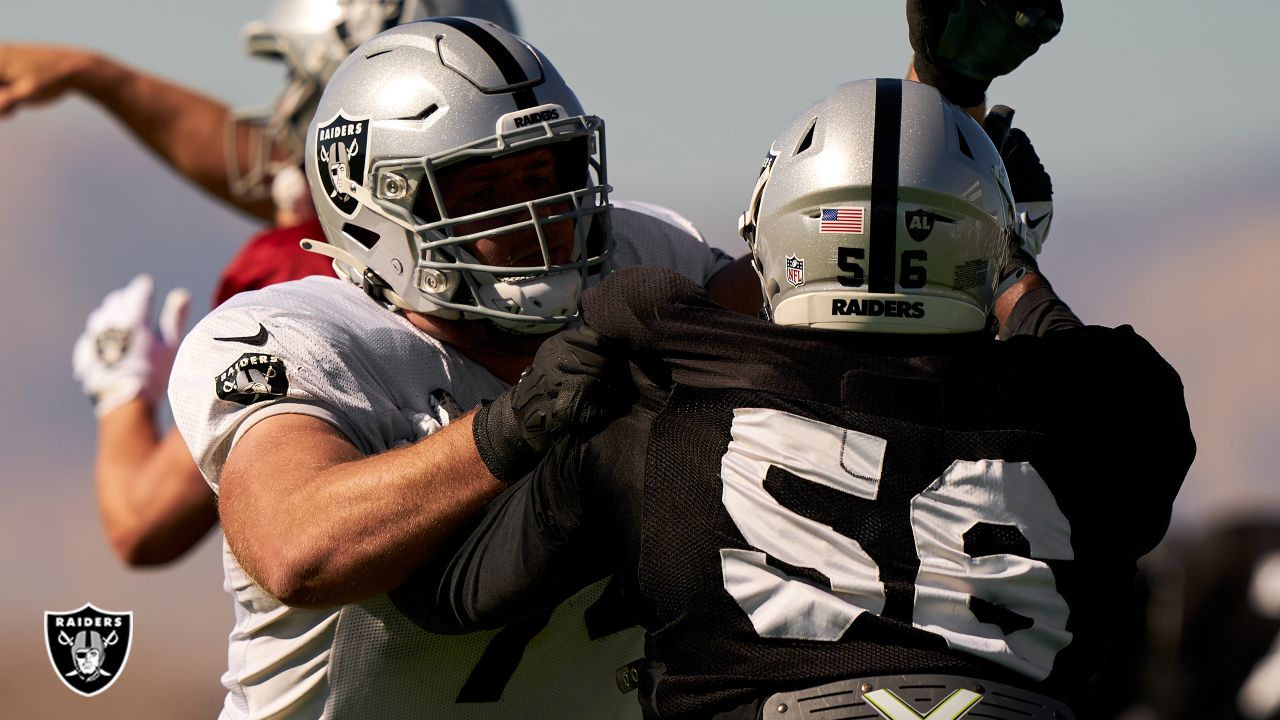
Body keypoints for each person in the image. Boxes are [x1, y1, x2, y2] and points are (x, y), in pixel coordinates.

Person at [391, 78, 1197, 719]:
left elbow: (449, 596)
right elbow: (1100, 369)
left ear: (775, 237)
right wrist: (1016, 274)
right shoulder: (1103, 420)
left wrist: (516, 426)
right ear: (987, 244)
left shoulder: (659, 423)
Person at [167, 19, 743, 719]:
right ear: (375, 204)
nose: (539, 216)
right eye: (484, 188)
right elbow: (298, 548)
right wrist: (512, 427)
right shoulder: (303, 338)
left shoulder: (644, 258)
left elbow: (812, 294)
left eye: (549, 171)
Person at [38, 0, 519, 564]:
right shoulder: (543, 233)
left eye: (303, 80)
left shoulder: (297, 264)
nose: (286, 108)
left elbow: (143, 521)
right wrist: (101, 77)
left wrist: (122, 391)